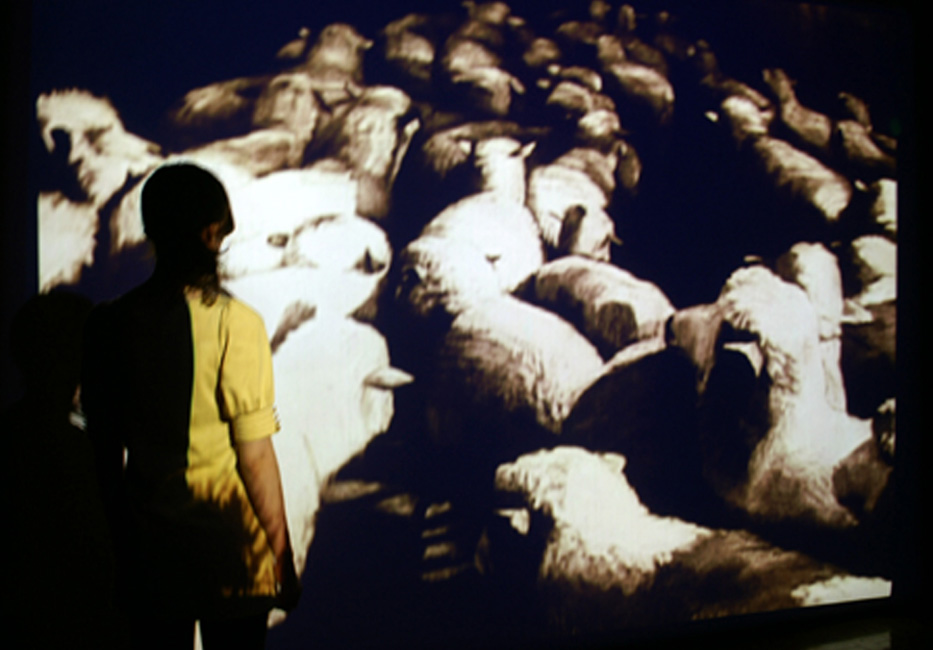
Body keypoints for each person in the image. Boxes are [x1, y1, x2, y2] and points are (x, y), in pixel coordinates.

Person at [81, 162, 299, 649]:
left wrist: (119, 549)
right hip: (233, 553)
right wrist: (282, 558)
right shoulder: (238, 322)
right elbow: (255, 456)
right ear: (211, 233)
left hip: (149, 555)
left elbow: (103, 455)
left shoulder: (108, 324)